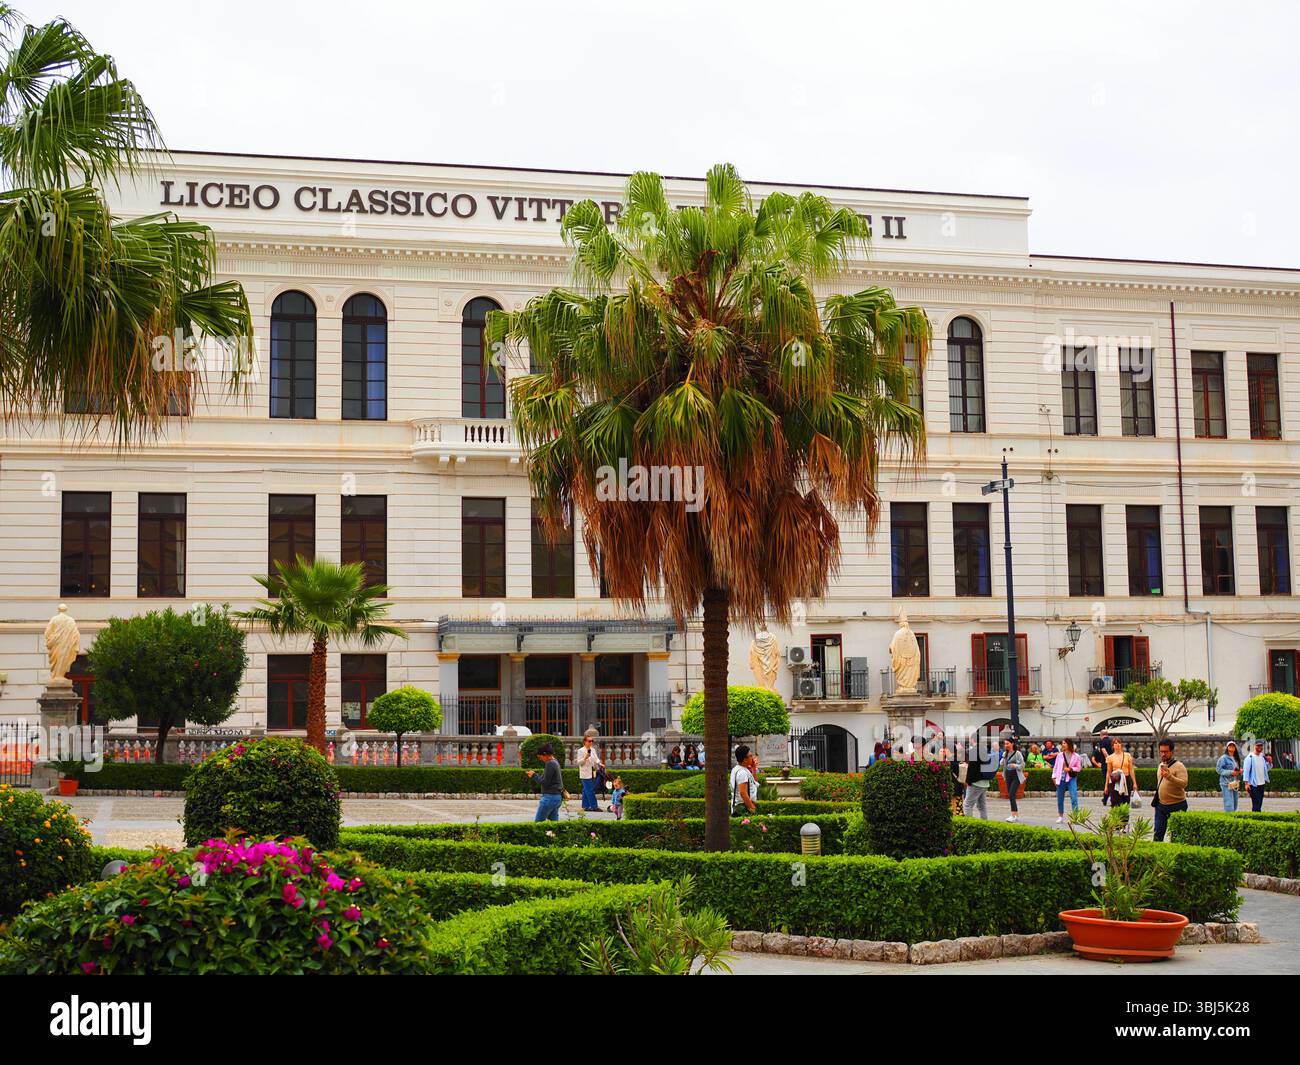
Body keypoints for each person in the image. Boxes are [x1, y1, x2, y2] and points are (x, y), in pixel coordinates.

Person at [1151, 739, 1189, 842]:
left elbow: (1184, 783)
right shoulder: (1160, 765)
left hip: (1177, 804)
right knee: (1157, 834)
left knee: (1176, 835)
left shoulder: (1179, 766)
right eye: (1161, 751)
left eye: (1166, 752)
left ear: (1171, 752)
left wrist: (1169, 776)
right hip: (1161, 806)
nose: (1163, 754)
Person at [525, 742, 564, 822]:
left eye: (540, 757)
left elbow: (545, 782)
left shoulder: (550, 763)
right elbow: (548, 778)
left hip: (549, 797)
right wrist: (535, 774)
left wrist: (534, 775)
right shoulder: (555, 761)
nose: (540, 759)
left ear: (545, 754)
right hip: (557, 797)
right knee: (553, 825)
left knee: (538, 823)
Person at [1104, 737, 1136, 823]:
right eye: (1115, 743)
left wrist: (1134, 783)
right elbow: (1108, 772)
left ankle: (1124, 823)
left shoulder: (1127, 755)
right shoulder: (1110, 757)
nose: (1117, 745)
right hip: (1115, 781)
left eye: (1119, 743)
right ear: (1113, 746)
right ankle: (1116, 822)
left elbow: (1131, 770)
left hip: (1126, 779)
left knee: (1125, 801)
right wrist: (1106, 786)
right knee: (1115, 801)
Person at [1052, 738, 1082, 822]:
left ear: (1069, 744)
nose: (1063, 745)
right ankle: (1060, 816)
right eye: (1062, 743)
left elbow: (1079, 768)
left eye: (1064, 743)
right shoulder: (1060, 755)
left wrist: (1070, 769)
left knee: (1074, 797)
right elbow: (1056, 767)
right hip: (1060, 778)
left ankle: (1075, 817)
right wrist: (1053, 777)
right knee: (1060, 798)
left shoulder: (1076, 756)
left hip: (1071, 778)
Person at [999, 738, 1025, 823]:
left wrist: (1015, 765)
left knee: (1011, 794)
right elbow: (1001, 764)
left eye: (1007, 743)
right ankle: (1015, 815)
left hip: (1016, 776)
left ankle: (1013, 815)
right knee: (1011, 796)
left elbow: (1022, 765)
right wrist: (1003, 759)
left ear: (1012, 744)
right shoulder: (1004, 753)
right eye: (1005, 744)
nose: (1006, 745)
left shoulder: (1018, 753)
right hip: (1008, 776)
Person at [576, 734, 603, 813]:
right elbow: (579, 763)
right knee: (590, 790)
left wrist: (600, 764)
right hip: (585, 773)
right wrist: (585, 757)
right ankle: (594, 806)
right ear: (585, 742)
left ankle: (585, 806)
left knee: (585, 790)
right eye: (589, 741)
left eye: (592, 741)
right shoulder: (581, 750)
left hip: (592, 772)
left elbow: (596, 759)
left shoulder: (593, 749)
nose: (591, 742)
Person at [730, 744, 759, 816]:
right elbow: (743, 793)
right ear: (744, 759)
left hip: (744, 805)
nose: (752, 758)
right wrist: (752, 808)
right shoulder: (742, 773)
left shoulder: (740, 769)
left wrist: (753, 768)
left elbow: (754, 783)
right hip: (744, 807)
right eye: (750, 756)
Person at [1243, 741, 1270, 811]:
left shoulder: (1262, 757)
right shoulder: (1250, 758)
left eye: (1261, 746)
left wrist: (1270, 762)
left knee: (1260, 802)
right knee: (1256, 802)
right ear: (1254, 746)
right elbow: (1246, 771)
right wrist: (1246, 784)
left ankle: (1257, 816)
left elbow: (1266, 768)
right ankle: (1256, 817)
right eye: (1258, 746)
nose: (1259, 747)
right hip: (1253, 784)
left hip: (1262, 783)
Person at [1216, 740, 1242, 812]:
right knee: (1228, 802)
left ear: (1235, 748)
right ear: (1227, 748)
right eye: (1230, 746)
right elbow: (1218, 770)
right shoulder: (1223, 758)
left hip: (1234, 783)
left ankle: (1233, 817)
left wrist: (1239, 771)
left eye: (1233, 746)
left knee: (1235, 802)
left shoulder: (1236, 758)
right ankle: (1230, 818)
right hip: (1226, 783)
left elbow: (1235, 770)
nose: (1231, 747)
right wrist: (1231, 772)